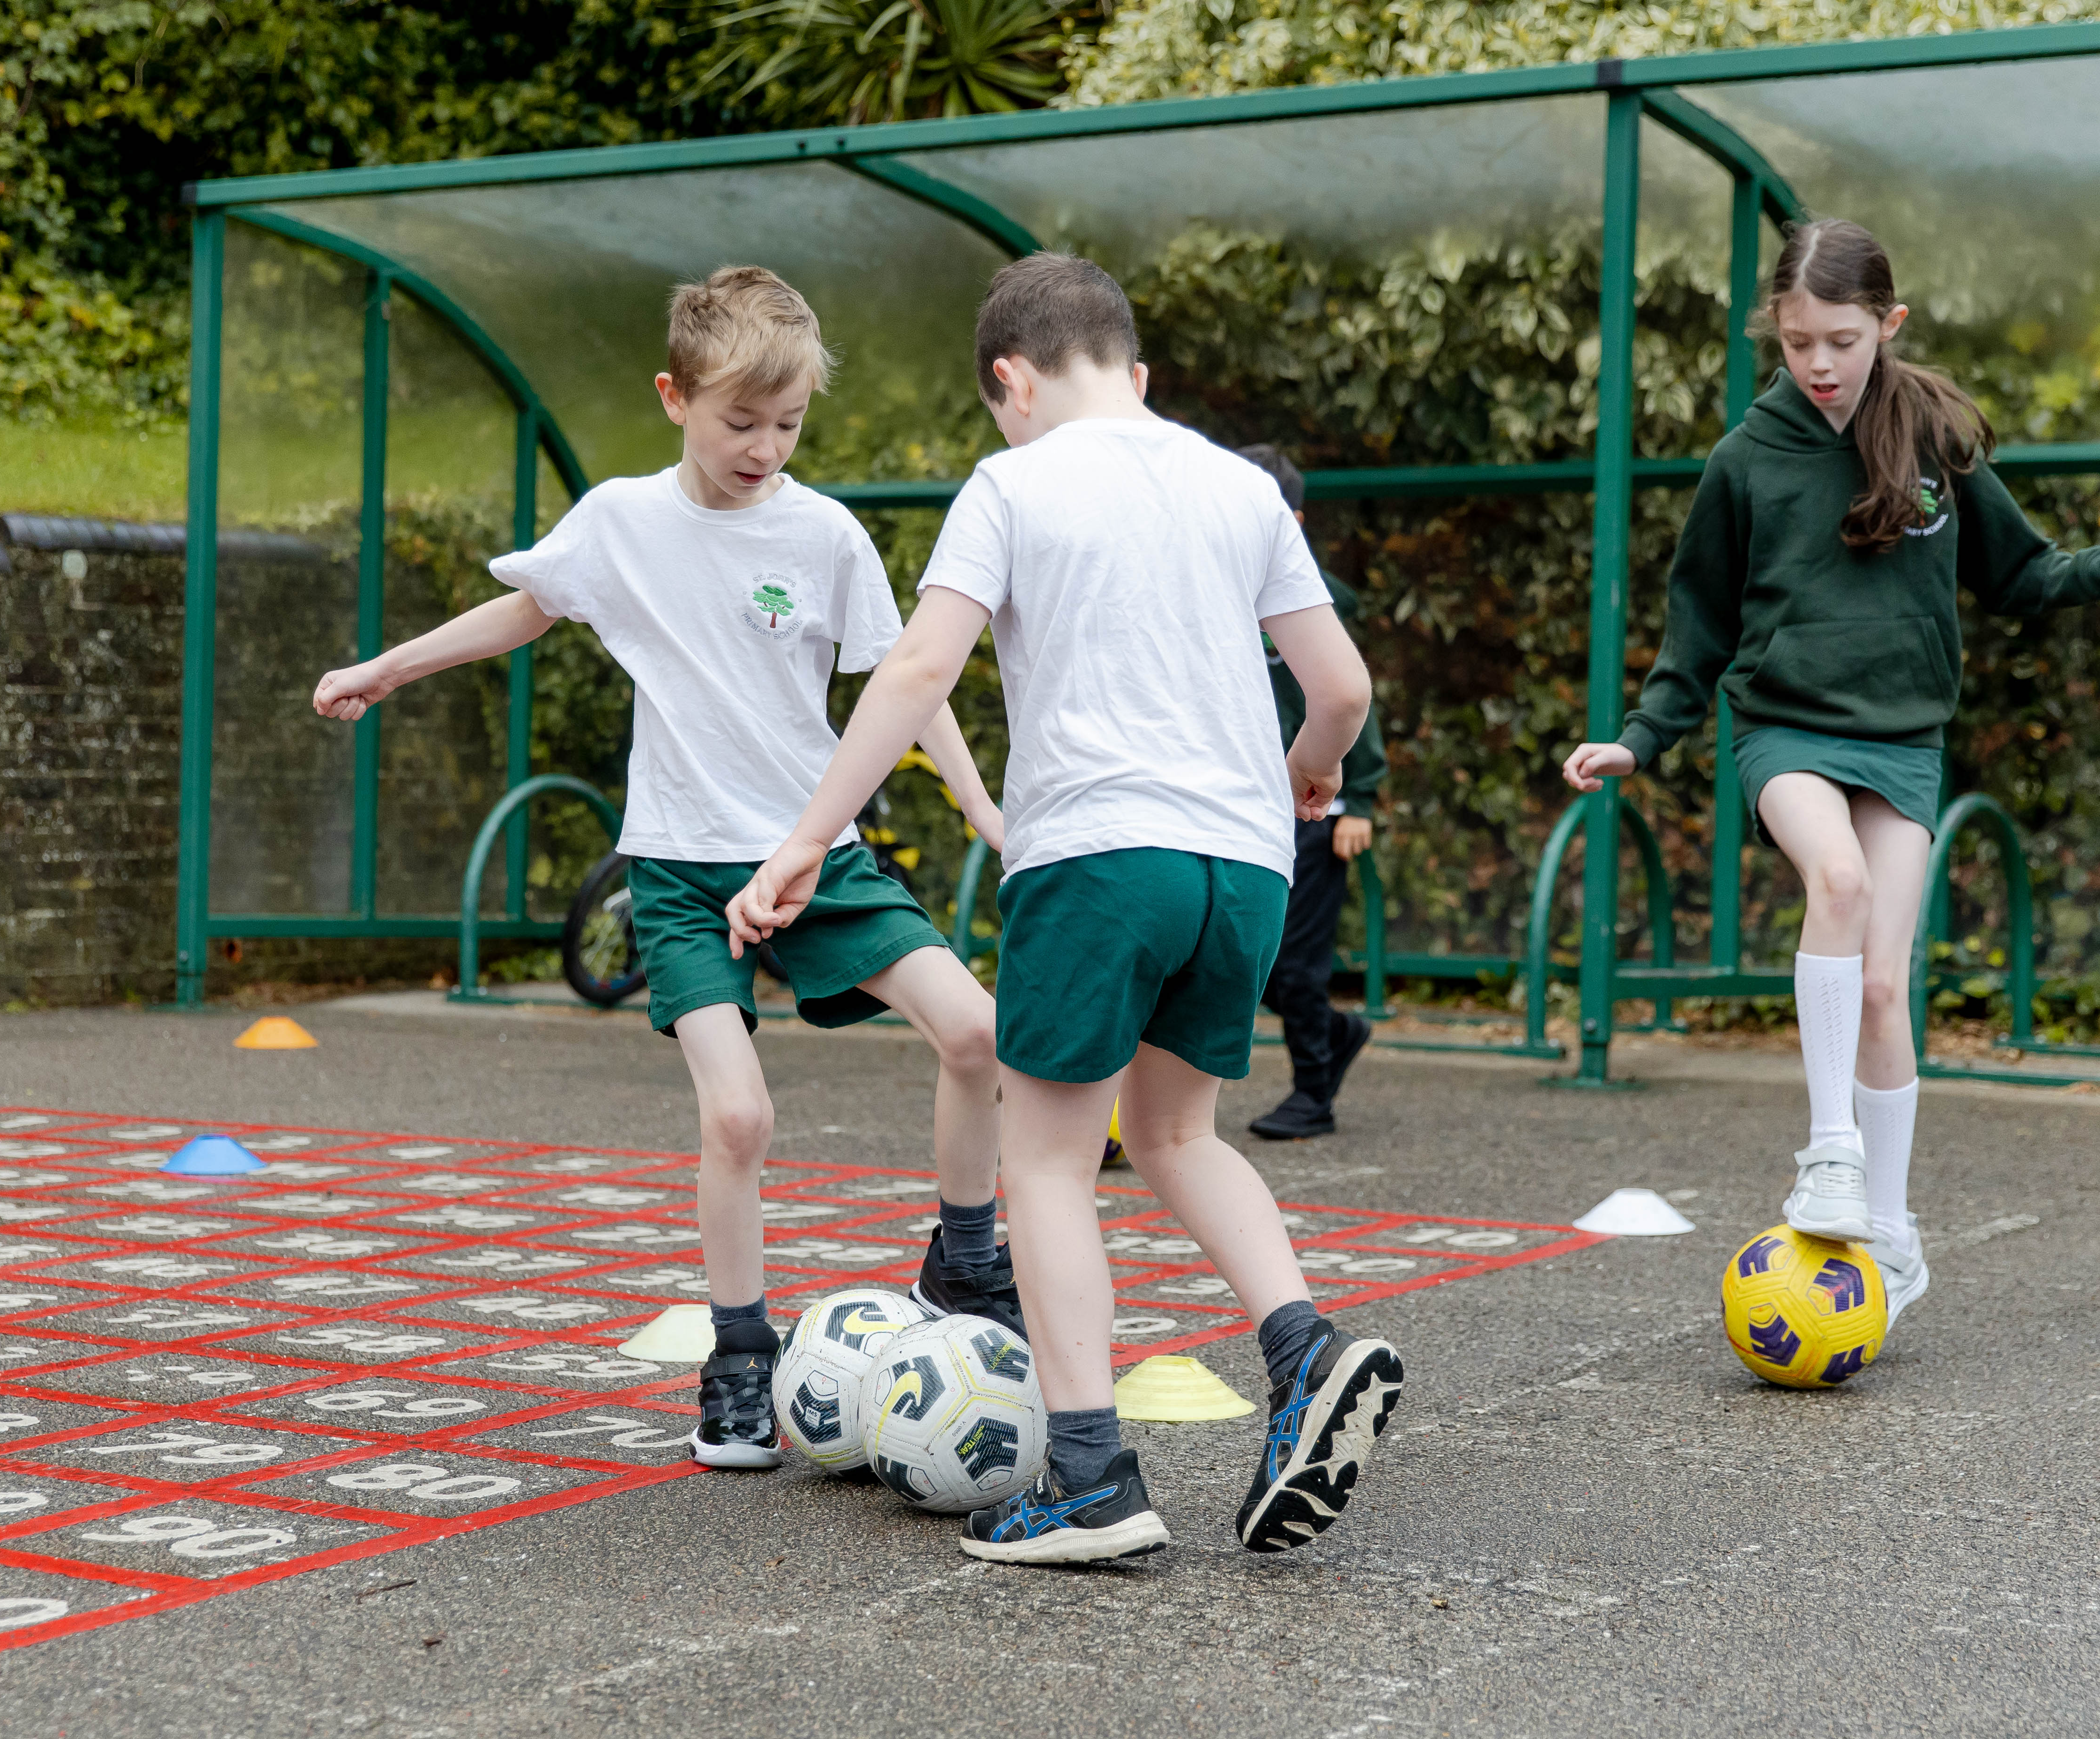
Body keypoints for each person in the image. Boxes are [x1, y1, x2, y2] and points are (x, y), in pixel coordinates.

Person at [726, 254, 1406, 1564]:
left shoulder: (1013, 480)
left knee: (1045, 1159)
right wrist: (1306, 773)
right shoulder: (1232, 481)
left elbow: (924, 664)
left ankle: (1091, 1478)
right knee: (1177, 1134)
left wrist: (809, 837)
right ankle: (1304, 1347)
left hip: (1097, 852)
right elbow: (1342, 689)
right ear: (1137, 373)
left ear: (1011, 381)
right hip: (1244, 863)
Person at [310, 266, 1020, 1471]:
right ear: (674, 397)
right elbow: (528, 610)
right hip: (684, 871)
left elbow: (907, 681)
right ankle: (739, 1363)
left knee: (977, 1035)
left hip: (815, 855)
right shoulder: (623, 521)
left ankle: (965, 1252)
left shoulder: (825, 532)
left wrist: (985, 808)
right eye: (740, 420)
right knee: (738, 1114)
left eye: (787, 424)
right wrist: (387, 667)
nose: (764, 447)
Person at [1562, 219, 2100, 1327]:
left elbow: (2022, 572)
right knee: (1834, 884)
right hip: (1783, 728)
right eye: (1798, 342)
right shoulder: (1743, 460)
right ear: (1778, 336)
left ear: (1886, 326)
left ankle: (1890, 1233)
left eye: (1841, 340)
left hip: (1901, 740)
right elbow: (1696, 627)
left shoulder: (1933, 435)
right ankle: (1828, 1154)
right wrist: (1641, 738)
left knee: (1887, 987)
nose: (1820, 364)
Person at [1234, 444, 1389, 1142]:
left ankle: (1312, 1092)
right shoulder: (1220, 588)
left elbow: (1350, 694)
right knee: (1247, 953)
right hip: (1242, 802)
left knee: (1295, 961)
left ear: (1290, 519)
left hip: (1315, 803)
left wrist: (1358, 798)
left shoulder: (1308, 600)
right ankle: (1335, 1032)